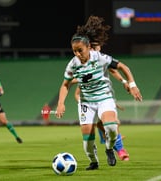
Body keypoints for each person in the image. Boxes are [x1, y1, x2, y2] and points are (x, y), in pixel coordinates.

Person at [55, 16, 142, 170]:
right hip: (86, 102)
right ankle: (94, 162)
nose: (77, 54)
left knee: (111, 127)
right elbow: (65, 85)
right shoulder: (72, 65)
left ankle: (110, 148)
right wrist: (61, 103)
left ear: (89, 48)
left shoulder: (100, 58)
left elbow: (122, 67)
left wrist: (132, 84)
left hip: (104, 98)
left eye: (80, 50)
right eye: (74, 51)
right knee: (87, 140)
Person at [72, 15, 132, 162]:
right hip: (87, 94)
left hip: (102, 93)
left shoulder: (100, 58)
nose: (100, 47)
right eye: (97, 45)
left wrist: (124, 81)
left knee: (111, 122)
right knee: (108, 123)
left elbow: (113, 69)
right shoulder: (84, 58)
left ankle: (109, 140)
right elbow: (74, 79)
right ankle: (117, 146)